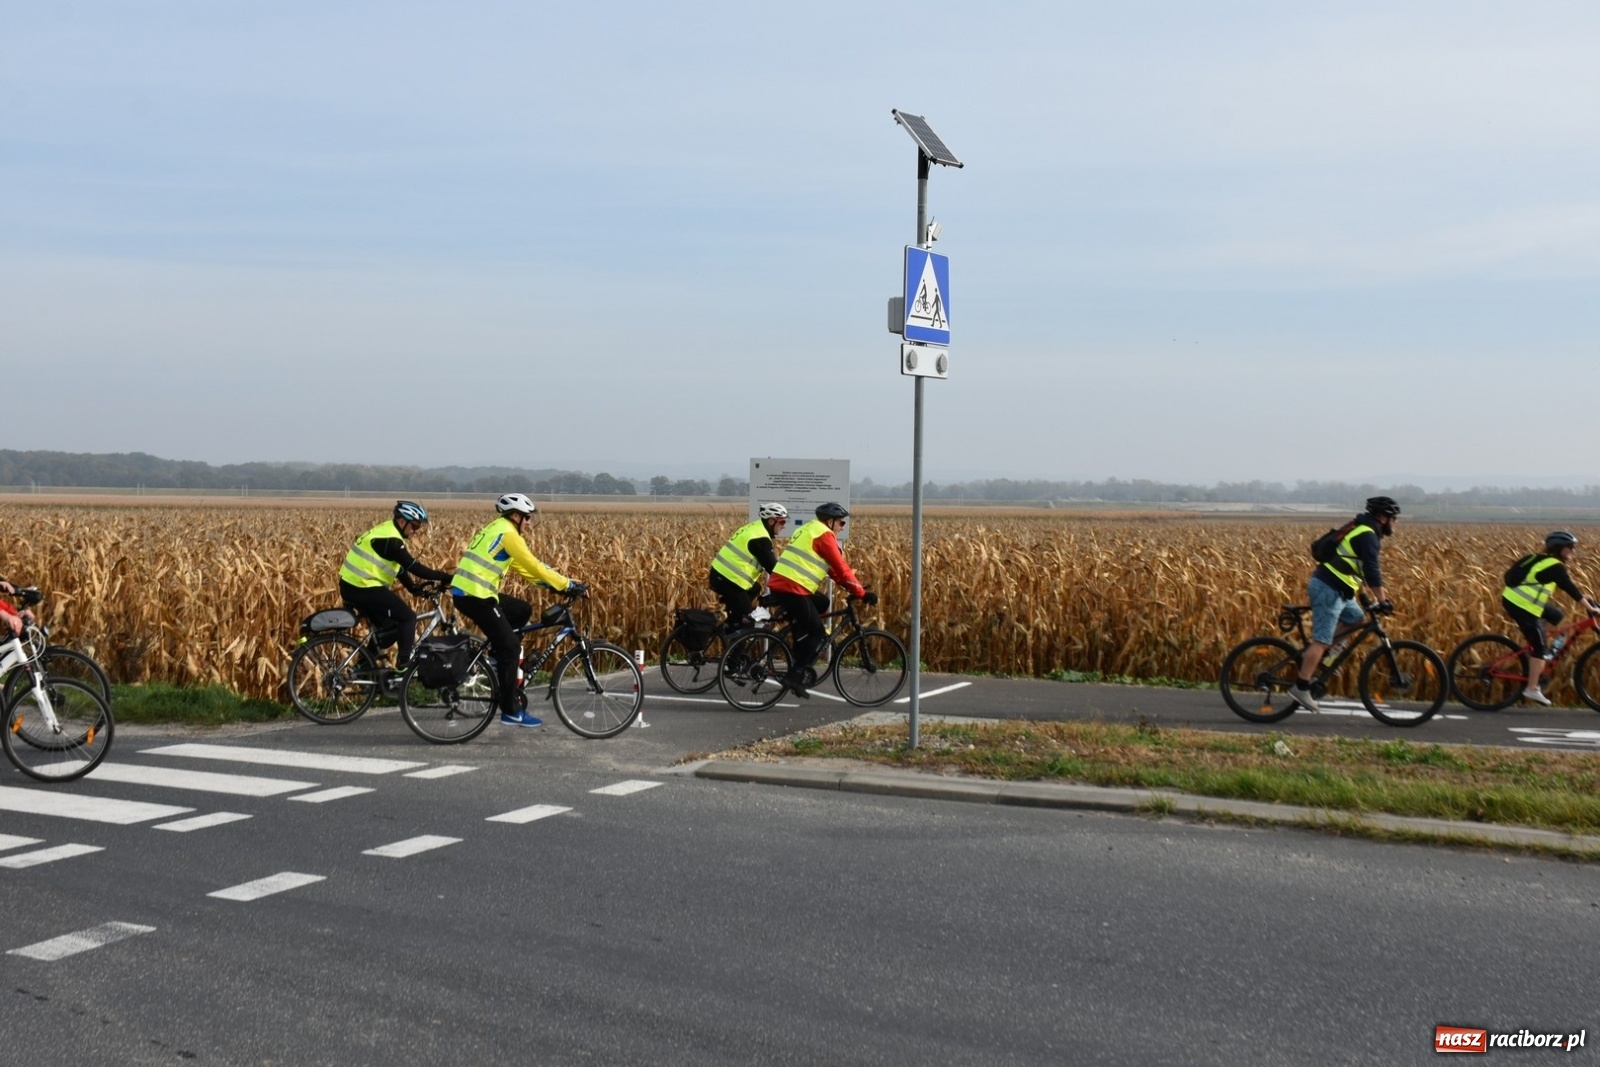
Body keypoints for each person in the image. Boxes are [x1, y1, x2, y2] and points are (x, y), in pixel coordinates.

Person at [451, 493, 586, 728]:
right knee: (512, 648)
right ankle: (511, 711)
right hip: (475, 595)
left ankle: (497, 657)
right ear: (515, 516)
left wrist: (558, 587)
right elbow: (533, 565)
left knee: (521, 610)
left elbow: (525, 571)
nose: (529, 522)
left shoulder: (498, 529)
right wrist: (568, 585)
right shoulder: (509, 534)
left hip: (474, 592)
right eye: (527, 517)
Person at [1288, 496, 1401, 712]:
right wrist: (1383, 601)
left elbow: (1353, 567)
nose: (1395, 522)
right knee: (1321, 640)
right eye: (1393, 518)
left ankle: (1320, 655)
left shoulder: (1362, 529)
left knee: (1356, 618)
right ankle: (1301, 687)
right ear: (1383, 517)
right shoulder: (1368, 535)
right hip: (1328, 588)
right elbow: (1371, 570)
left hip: (1340, 589)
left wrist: (1365, 596)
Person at [766, 501, 875, 699]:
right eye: (841, 523)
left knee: (822, 603)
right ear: (830, 521)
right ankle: (795, 675)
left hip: (784, 584)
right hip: (793, 587)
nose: (842, 527)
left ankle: (800, 643)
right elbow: (841, 567)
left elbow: (833, 571)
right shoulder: (824, 534)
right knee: (817, 632)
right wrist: (862, 594)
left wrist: (853, 588)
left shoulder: (811, 529)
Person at [337, 501, 453, 673]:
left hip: (355, 586)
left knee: (390, 629)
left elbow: (397, 567)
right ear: (402, 521)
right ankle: (403, 665)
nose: (416, 531)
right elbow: (414, 567)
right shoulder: (391, 540)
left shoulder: (388, 531)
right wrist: (446, 577)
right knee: (408, 618)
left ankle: (362, 669)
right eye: (414, 525)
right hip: (362, 586)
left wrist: (412, 587)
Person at [1501, 530, 1600, 706]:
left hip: (1524, 602)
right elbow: (1570, 588)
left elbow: (1563, 586)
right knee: (1540, 648)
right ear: (1559, 548)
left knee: (1558, 617)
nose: (1573, 550)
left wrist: (1587, 599)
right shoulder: (1556, 566)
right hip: (1520, 604)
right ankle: (1532, 688)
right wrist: (1590, 608)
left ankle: (1536, 644)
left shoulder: (1543, 560)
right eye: (1570, 547)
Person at [708, 502, 787, 631]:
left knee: (755, 589)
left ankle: (731, 625)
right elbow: (773, 569)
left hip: (722, 575)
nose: (784, 526)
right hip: (729, 579)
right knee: (747, 621)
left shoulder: (755, 528)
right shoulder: (760, 538)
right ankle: (736, 638)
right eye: (782, 522)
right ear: (771, 521)